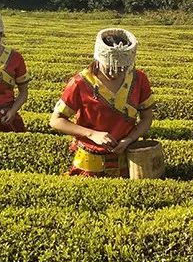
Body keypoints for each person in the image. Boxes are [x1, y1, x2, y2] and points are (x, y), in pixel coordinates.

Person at [49, 28, 155, 177]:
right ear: (98, 59)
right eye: (110, 68)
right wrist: (92, 134)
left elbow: (147, 117)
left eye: (121, 69)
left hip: (127, 158)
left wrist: (130, 138)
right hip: (90, 160)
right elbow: (56, 120)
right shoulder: (80, 82)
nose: (115, 73)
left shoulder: (139, 79)